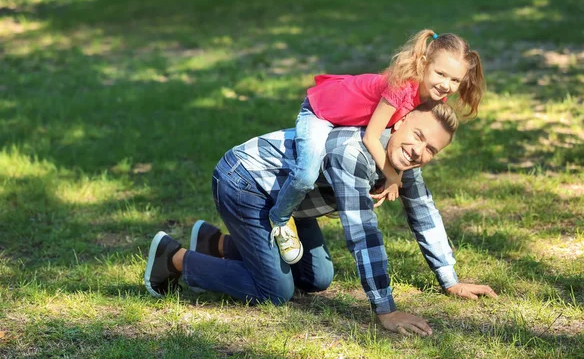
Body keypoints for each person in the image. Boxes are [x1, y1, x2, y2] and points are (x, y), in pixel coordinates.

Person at [144, 101, 497, 336]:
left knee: (317, 277)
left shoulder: (400, 164)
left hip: (288, 204)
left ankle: (214, 243)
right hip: (246, 182)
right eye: (418, 136)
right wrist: (385, 310)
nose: (420, 151)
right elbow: (362, 234)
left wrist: (449, 280)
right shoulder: (353, 153)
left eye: (432, 150)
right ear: (400, 122)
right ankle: (172, 258)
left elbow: (424, 213)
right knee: (274, 292)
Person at [269, 29, 486, 265]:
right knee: (306, 174)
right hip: (321, 111)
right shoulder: (401, 87)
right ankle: (279, 217)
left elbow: (403, 134)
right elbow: (371, 137)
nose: (446, 85)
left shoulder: (434, 97)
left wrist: (397, 175)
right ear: (424, 64)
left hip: (347, 119)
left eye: (455, 80)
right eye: (441, 74)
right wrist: (392, 177)